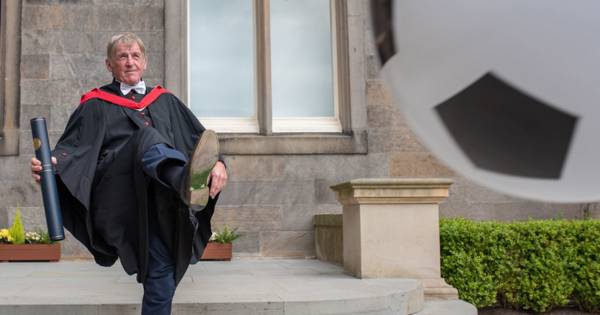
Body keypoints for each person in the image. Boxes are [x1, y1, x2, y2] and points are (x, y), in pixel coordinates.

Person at [30, 32, 227, 315]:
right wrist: (49, 166)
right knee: (145, 138)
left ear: (145, 62)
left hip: (160, 205)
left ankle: (183, 182)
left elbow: (200, 142)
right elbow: (70, 152)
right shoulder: (95, 105)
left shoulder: (166, 101)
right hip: (120, 198)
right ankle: (183, 180)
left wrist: (219, 163)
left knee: (163, 277)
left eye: (135, 55)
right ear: (110, 65)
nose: (130, 62)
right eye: (122, 56)